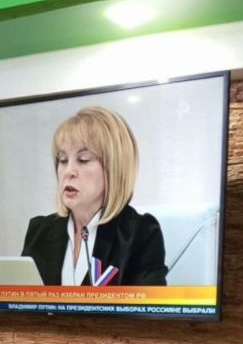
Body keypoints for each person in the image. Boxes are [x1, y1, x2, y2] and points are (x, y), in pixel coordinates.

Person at [21, 106, 167, 287]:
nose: (68, 172)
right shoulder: (40, 231)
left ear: (113, 167)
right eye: (63, 160)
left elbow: (149, 303)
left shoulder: (140, 234)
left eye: (83, 160)